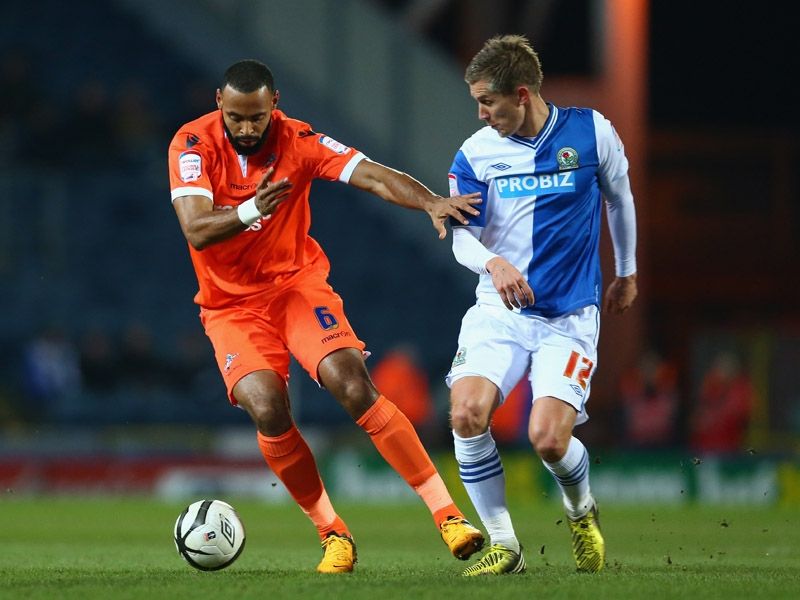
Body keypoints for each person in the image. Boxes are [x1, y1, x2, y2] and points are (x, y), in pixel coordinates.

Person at [167, 59, 484, 574]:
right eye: (236, 118)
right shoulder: (191, 145)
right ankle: (333, 534)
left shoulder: (298, 139)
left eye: (256, 118)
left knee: (353, 384)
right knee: (267, 407)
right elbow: (196, 229)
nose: (246, 129)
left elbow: (371, 174)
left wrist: (430, 202)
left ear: (274, 105)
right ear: (219, 103)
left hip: (295, 286)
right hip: (230, 307)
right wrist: (252, 210)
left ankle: (448, 516)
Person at [445, 35, 638, 575]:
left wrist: (627, 272)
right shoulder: (476, 152)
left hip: (568, 317)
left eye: (488, 102)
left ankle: (581, 511)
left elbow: (620, 199)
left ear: (522, 94)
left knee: (549, 440)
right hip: (498, 311)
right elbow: (461, 238)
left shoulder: (592, 132)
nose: (482, 114)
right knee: (466, 413)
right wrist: (494, 264)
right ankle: (505, 545)